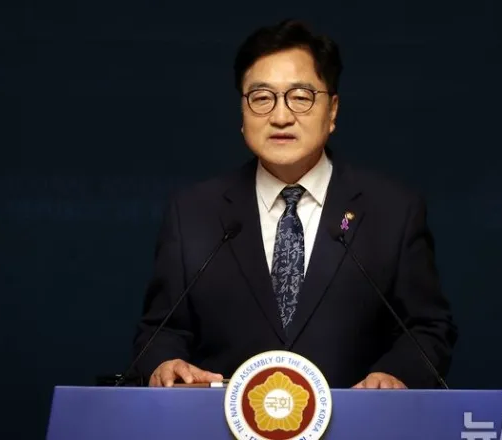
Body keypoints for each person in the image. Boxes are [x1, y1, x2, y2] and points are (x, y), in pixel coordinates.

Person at [131, 19, 457, 389]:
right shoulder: (193, 212)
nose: (281, 116)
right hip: (220, 417)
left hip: (358, 417)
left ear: (332, 111)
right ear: (242, 113)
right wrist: (165, 363)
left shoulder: (393, 211)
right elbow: (161, 330)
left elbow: (428, 328)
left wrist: (395, 374)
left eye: (300, 97)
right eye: (261, 98)